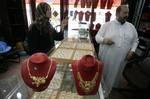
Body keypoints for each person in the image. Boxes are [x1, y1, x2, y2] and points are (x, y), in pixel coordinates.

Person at [95, 5, 139, 97]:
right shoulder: (107, 25)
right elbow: (97, 38)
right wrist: (104, 40)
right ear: (117, 13)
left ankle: (108, 92)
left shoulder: (131, 27)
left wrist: (132, 51)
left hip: (121, 59)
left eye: (128, 13)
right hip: (107, 58)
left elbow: (136, 41)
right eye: (124, 13)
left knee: (115, 77)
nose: (127, 15)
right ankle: (100, 94)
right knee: (103, 76)